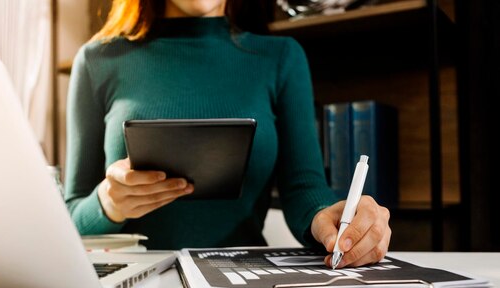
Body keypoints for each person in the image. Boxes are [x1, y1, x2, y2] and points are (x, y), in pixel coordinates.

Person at [65, 0, 391, 268]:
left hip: (243, 284)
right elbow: (71, 218)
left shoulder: (281, 58)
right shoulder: (97, 61)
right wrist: (108, 203)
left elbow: (304, 189)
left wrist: (331, 218)